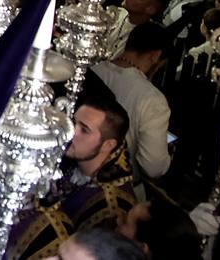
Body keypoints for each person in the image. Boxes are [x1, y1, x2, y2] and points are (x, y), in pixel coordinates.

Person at [9, 93, 136, 260]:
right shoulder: (76, 162)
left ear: (108, 144)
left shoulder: (110, 207)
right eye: (73, 122)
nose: (70, 132)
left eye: (84, 130)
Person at [91, 23, 171, 180]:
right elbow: (153, 167)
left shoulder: (94, 69)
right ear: (155, 56)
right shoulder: (152, 99)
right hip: (119, 183)